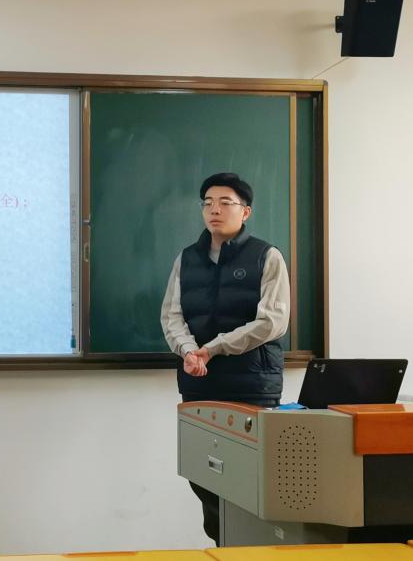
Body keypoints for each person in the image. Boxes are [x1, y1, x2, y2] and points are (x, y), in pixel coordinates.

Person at [160, 172, 291, 546]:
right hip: (200, 381)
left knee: (249, 478)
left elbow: (272, 322)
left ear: (245, 211)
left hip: (253, 383)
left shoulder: (267, 256)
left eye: (225, 203)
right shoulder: (187, 259)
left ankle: (245, 547)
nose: (214, 210)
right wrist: (189, 350)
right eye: (207, 203)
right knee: (203, 474)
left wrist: (213, 348)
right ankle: (223, 545)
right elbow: (171, 315)